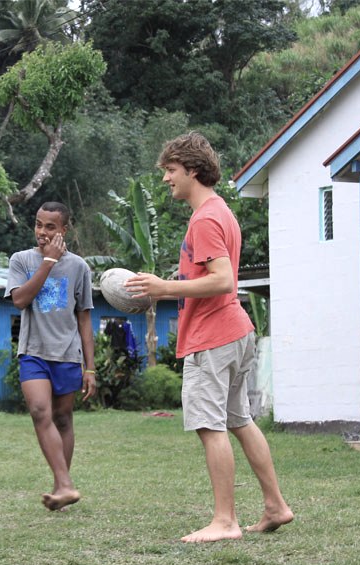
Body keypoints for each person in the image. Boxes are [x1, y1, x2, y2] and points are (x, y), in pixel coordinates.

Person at [125, 132, 293, 543]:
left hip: (213, 336)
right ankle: (275, 506)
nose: (166, 179)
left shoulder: (204, 219)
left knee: (210, 425)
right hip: (235, 331)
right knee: (239, 419)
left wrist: (163, 288)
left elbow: (222, 280)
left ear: (193, 170)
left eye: (170, 170)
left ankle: (224, 521)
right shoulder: (221, 212)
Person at [5, 202, 95, 511]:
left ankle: (61, 488)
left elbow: (84, 318)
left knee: (63, 418)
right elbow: (20, 300)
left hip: (67, 354)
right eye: (38, 224)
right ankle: (66, 483)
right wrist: (48, 262)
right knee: (40, 411)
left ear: (64, 230)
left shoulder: (79, 267)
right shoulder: (21, 260)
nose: (42, 232)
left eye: (50, 227)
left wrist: (90, 368)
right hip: (33, 352)